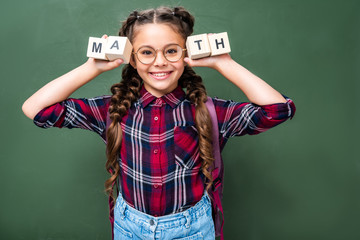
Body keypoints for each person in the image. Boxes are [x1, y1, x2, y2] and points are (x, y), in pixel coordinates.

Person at [22, 6, 296, 240]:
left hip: (192, 229)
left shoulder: (208, 111)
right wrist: (91, 67)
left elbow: (279, 110)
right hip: (130, 227)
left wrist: (224, 63)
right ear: (132, 58)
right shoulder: (111, 109)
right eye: (147, 53)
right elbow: (35, 109)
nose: (160, 62)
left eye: (172, 51)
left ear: (186, 54)